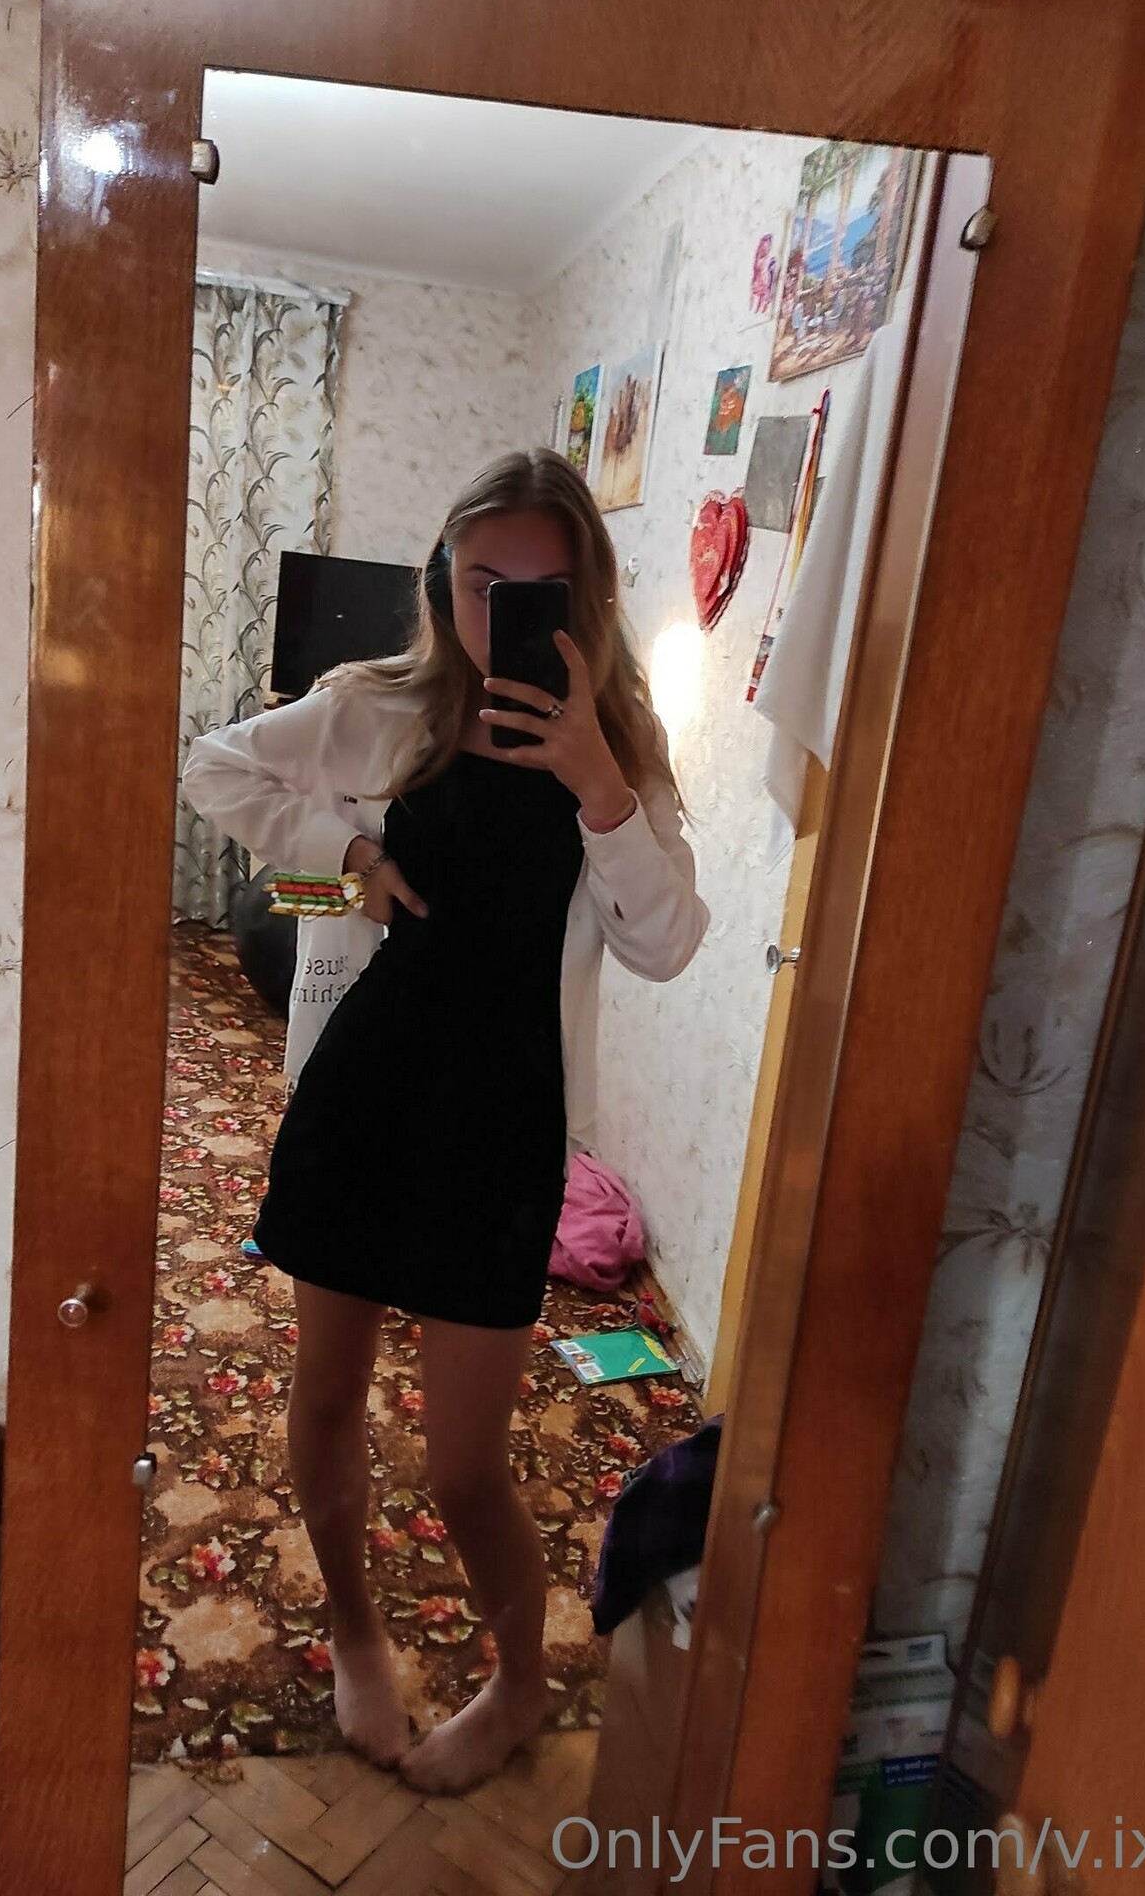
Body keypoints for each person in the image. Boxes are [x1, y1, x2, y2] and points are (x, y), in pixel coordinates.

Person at [181, 447, 708, 1794]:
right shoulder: (377, 706)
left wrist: (599, 786)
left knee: (466, 1466)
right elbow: (213, 766)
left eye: (541, 589)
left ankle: (521, 1682)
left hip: (502, 1132)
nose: (505, 613)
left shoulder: (620, 751)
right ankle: (358, 1635)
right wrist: (344, 857)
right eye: (483, 583)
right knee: (325, 1397)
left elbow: (664, 946)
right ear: (444, 581)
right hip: (362, 1099)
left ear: (587, 596)